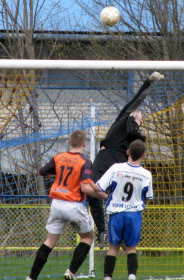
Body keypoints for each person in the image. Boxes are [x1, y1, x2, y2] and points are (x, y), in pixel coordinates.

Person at [89, 71, 163, 248]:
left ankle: (121, 234)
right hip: (106, 156)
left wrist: (135, 124)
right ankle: (102, 231)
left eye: (138, 115)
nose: (136, 112)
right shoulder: (123, 119)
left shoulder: (136, 136)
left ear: (140, 121)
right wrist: (148, 83)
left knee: (124, 197)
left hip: (119, 163)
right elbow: (135, 101)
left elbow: (135, 140)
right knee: (90, 190)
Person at [26, 130, 108, 280]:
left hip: (57, 204)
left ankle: (31, 277)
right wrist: (104, 196)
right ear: (84, 144)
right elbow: (84, 188)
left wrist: (58, 174)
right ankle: (71, 272)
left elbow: (41, 172)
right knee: (87, 237)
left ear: (69, 142)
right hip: (73, 205)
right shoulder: (85, 161)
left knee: (49, 241)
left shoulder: (59, 157)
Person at [94, 139, 153, 280]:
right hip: (134, 214)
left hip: (116, 213)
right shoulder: (146, 174)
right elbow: (149, 196)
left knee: (113, 247)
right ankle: (131, 276)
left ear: (128, 152)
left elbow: (99, 187)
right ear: (144, 155)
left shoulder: (116, 168)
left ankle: (108, 277)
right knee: (131, 248)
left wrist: (91, 185)